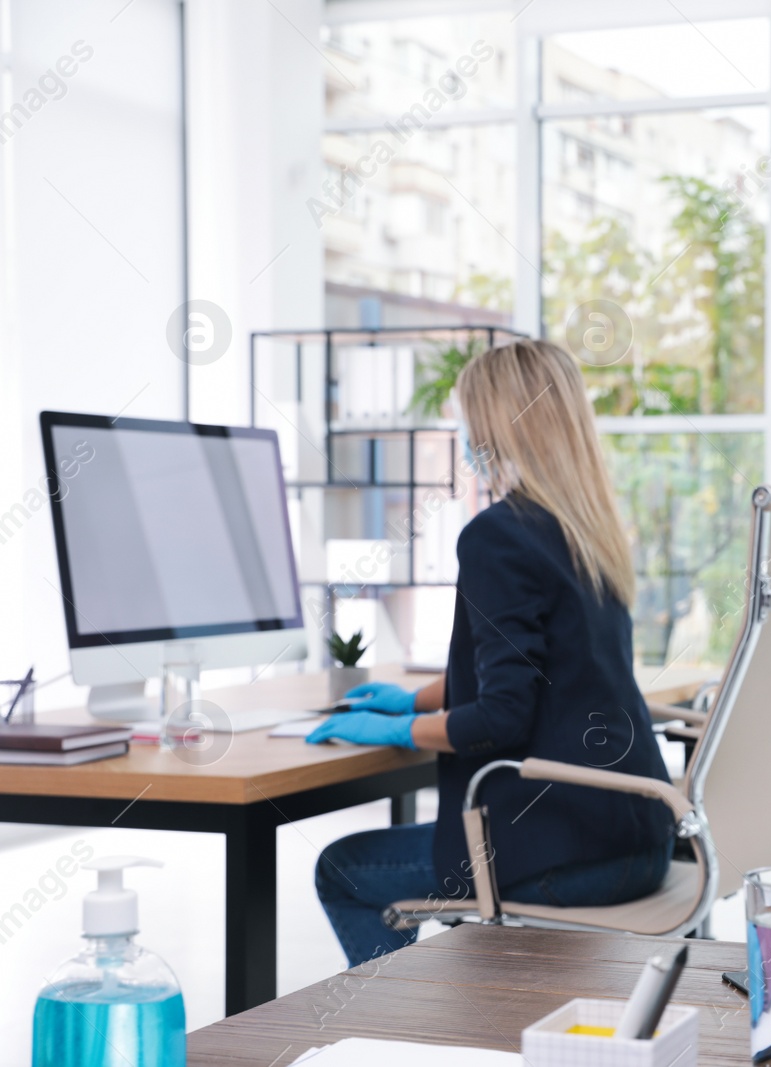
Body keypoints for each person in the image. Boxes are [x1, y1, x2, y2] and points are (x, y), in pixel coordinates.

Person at [308, 338, 675, 967]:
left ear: (499, 423)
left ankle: (376, 1033)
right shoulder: (589, 532)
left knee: (343, 869)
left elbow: (504, 716)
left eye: (469, 418)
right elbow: (541, 673)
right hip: (641, 838)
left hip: (573, 852)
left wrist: (400, 732)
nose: (464, 433)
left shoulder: (498, 535)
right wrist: (414, 699)